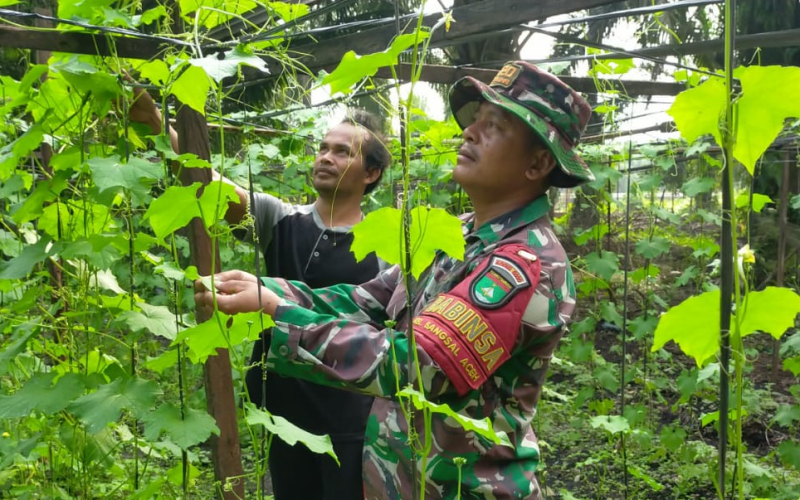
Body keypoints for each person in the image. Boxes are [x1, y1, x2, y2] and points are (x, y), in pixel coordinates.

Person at [194, 61, 595, 499]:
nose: (470, 133)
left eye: (494, 125)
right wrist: (271, 291)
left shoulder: (524, 264)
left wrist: (280, 315)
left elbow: (422, 366)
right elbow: (370, 298)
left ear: (537, 163)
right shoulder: (457, 235)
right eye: (475, 121)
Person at [128, 89, 390, 500]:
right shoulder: (279, 218)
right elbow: (208, 185)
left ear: (371, 173)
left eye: (342, 152)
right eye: (322, 148)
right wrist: (155, 121)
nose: (325, 157)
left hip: (347, 417)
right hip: (281, 407)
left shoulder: (385, 247)